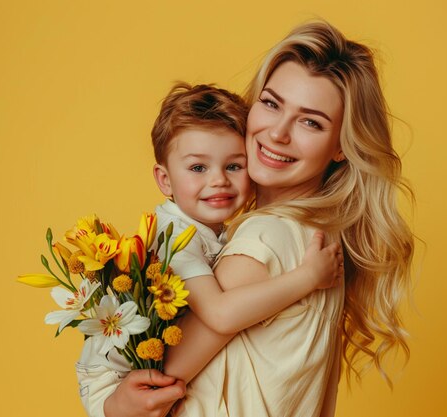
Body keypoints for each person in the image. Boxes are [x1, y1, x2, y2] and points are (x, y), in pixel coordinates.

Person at [88, 20, 414, 417]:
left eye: (310, 121)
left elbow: (158, 379)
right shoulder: (322, 239)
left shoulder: (266, 237)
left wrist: (113, 403)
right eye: (272, 103)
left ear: (342, 146)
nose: (277, 133)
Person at [76, 82, 345, 417]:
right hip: (107, 378)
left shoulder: (243, 231)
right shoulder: (176, 237)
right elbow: (221, 314)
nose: (218, 180)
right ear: (165, 180)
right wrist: (307, 276)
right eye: (198, 168)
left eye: (233, 166)